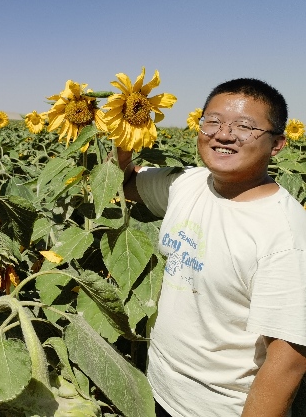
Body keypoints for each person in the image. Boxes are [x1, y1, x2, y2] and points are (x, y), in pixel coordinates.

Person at [116, 78, 306, 417]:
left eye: (245, 126)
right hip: (157, 390)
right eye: (213, 121)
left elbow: (288, 362)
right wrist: (124, 127)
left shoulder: (285, 235)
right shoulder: (187, 183)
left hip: (218, 407)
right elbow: (124, 183)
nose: (224, 134)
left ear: (277, 144)